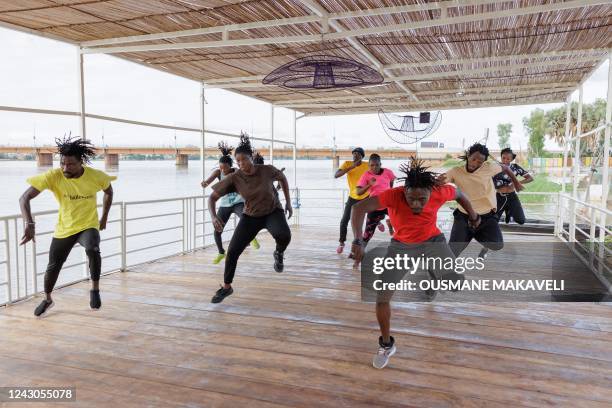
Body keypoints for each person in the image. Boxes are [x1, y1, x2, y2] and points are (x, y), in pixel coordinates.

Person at [351, 159, 479, 369]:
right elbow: (358, 208)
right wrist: (358, 240)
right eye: (411, 199)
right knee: (382, 298)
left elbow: (460, 195)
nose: (416, 204)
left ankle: (435, 275)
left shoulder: (439, 192)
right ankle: (386, 345)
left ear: (431, 192)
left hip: (432, 241)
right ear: (405, 192)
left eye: (422, 199)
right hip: (402, 246)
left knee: (454, 285)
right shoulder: (393, 195)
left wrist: (473, 216)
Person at [19, 137, 116, 317]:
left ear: (81, 162)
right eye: (63, 163)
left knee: (93, 248)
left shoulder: (96, 176)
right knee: (53, 266)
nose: (65, 168)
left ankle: (94, 289)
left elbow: (109, 192)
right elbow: (24, 198)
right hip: (65, 228)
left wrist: (104, 218)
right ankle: (48, 299)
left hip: (88, 225)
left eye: (70, 164)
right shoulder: (53, 176)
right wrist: (29, 224)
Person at [208, 133, 292, 303]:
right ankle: (226, 287)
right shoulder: (235, 178)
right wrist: (213, 217)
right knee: (232, 251)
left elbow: (282, 178)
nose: (241, 164)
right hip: (251, 216)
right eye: (237, 161)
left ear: (251, 157)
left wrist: (288, 203)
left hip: (272, 212)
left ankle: (279, 252)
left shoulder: (267, 170)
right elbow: (212, 198)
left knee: (284, 235)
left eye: (243, 160)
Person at [442, 143, 524, 259]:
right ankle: (439, 272)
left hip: (486, 216)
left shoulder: (489, 167)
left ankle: (472, 232)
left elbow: (505, 167)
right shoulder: (455, 171)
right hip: (464, 216)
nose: (475, 163)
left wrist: (516, 183)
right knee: (452, 253)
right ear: (468, 155)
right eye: (473, 159)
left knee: (497, 245)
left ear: (484, 162)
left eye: (480, 161)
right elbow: (439, 181)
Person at [201, 142, 259, 264]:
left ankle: (252, 237)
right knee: (217, 230)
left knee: (246, 219)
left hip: (238, 202)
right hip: (225, 204)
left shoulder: (237, 171)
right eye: (221, 167)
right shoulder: (218, 173)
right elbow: (208, 181)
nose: (223, 170)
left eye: (225, 168)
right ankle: (221, 252)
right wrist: (205, 183)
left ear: (230, 165)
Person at [353, 153, 396, 267]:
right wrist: (369, 185)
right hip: (374, 206)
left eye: (377, 165)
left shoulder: (387, 172)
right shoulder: (366, 175)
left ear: (380, 164)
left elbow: (392, 181)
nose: (374, 168)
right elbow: (358, 192)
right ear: (369, 165)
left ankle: (390, 224)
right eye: (372, 165)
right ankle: (358, 259)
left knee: (402, 224)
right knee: (367, 235)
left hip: (388, 204)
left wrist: (390, 190)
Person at [334, 147, 369, 255]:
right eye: (354, 153)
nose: (355, 155)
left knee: (363, 222)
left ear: (362, 156)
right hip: (352, 197)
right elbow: (336, 175)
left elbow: (376, 174)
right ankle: (341, 243)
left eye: (358, 153)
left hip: (365, 197)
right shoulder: (347, 164)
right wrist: (352, 166)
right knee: (344, 221)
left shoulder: (367, 165)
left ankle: (359, 245)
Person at [493, 147, 533, 225]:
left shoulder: (515, 167)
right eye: (503, 158)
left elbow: (530, 178)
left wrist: (517, 183)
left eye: (508, 159)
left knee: (521, 220)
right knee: (493, 221)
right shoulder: (495, 168)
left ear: (511, 159)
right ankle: (507, 210)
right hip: (499, 197)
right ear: (501, 157)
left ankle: (508, 211)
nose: (505, 160)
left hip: (512, 197)